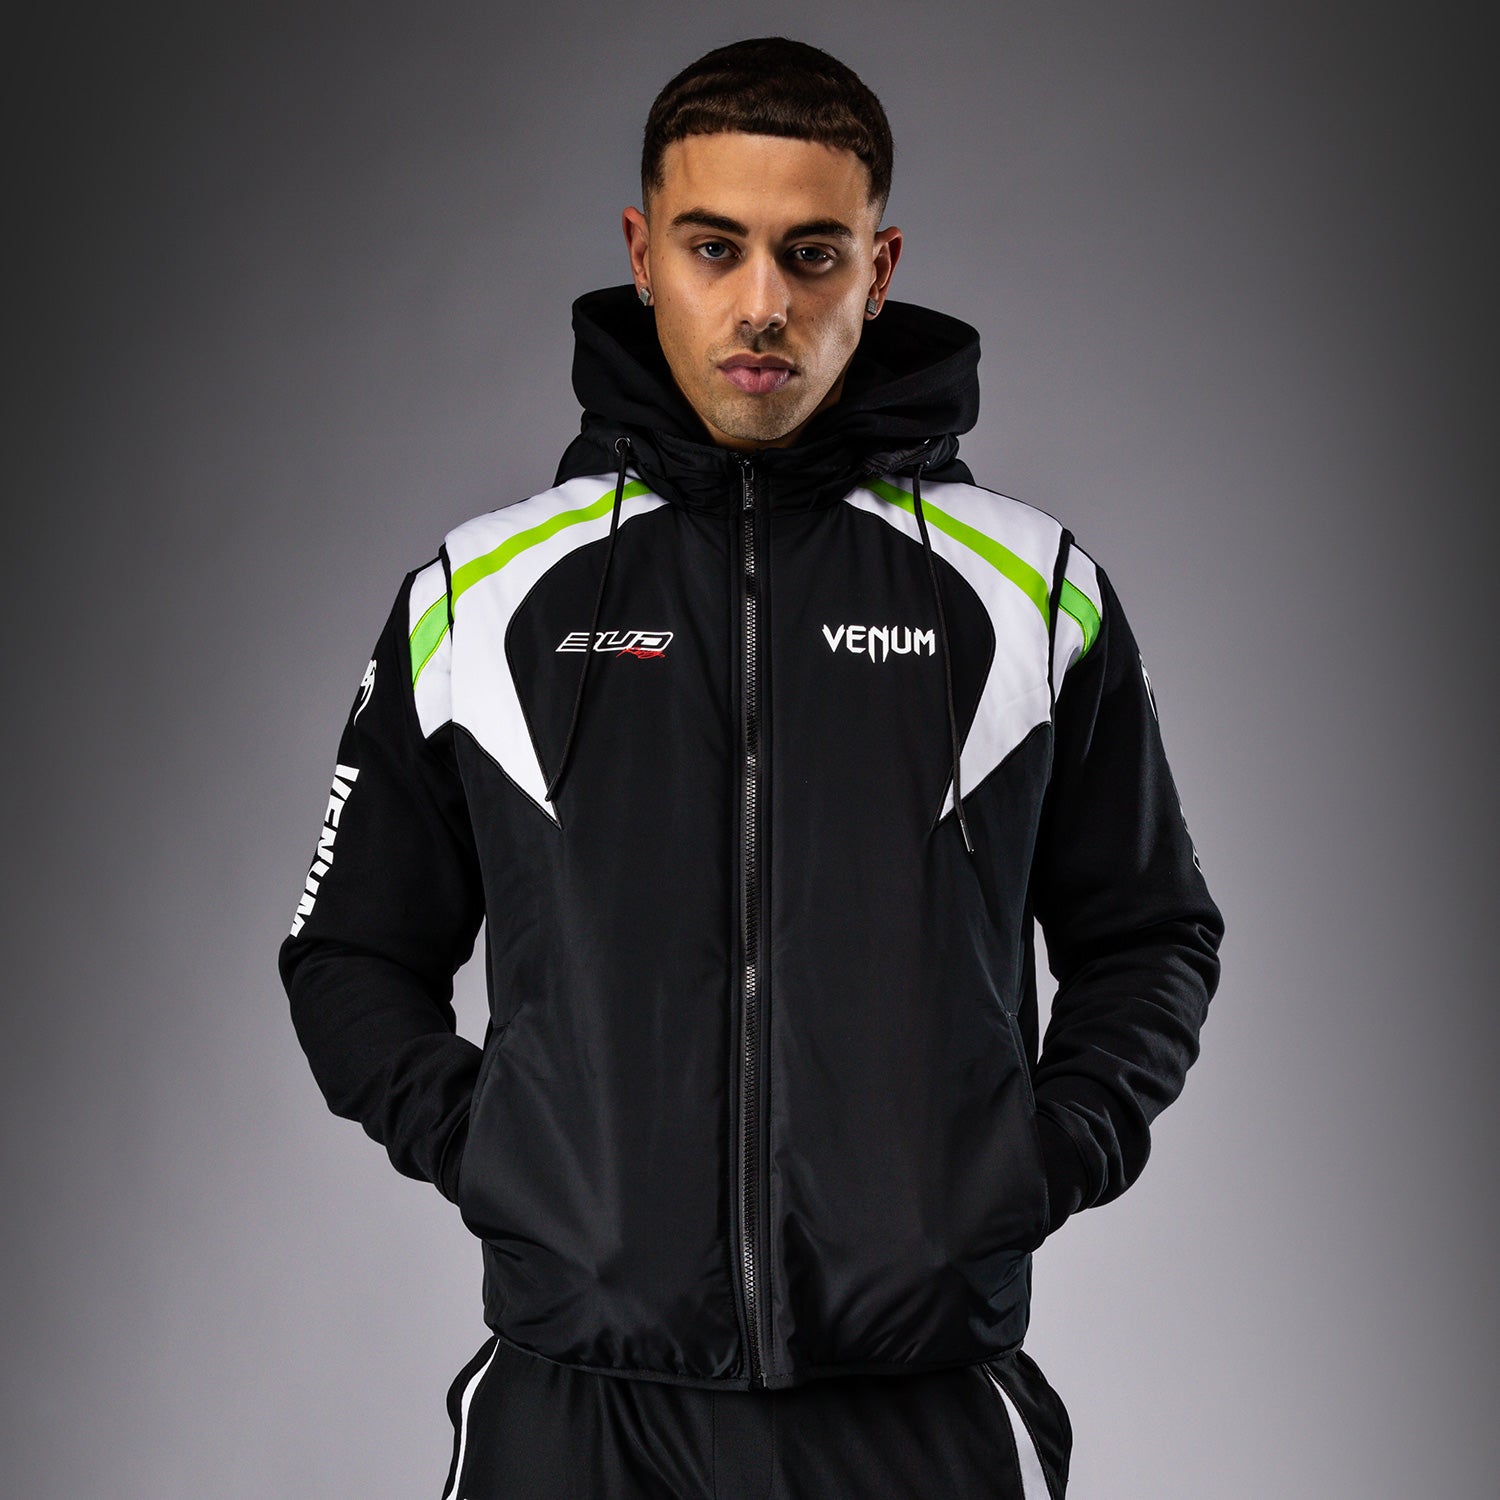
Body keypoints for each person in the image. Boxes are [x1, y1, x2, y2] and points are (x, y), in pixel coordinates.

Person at [279, 36, 1224, 1500]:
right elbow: (346, 953)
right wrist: (503, 1156)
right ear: (643, 252)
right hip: (578, 1412)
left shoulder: (1033, 596)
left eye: (812, 253)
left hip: (919, 1405)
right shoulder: (479, 597)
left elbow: (1152, 933)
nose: (764, 303)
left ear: (879, 267)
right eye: (715, 248)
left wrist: (1032, 1164)